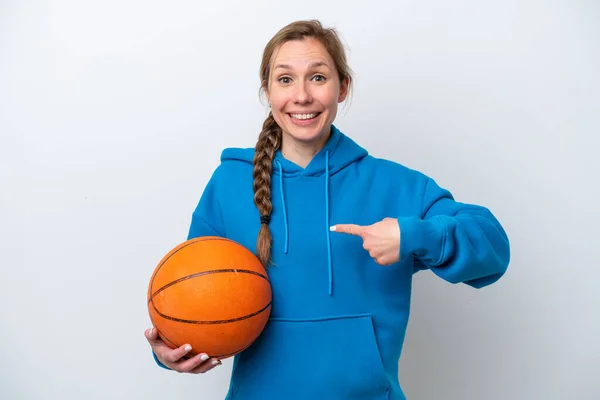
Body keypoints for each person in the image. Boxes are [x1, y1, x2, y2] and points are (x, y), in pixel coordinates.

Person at [145, 19, 510, 400]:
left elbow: (493, 249)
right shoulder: (229, 185)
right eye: (285, 79)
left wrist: (414, 235)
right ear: (267, 90)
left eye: (317, 77)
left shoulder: (393, 185)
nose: (301, 96)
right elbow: (188, 296)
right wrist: (170, 351)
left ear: (342, 88)